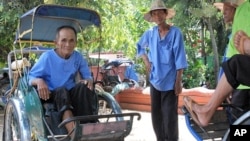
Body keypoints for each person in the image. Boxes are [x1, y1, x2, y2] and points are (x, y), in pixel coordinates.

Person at [28, 25, 96, 135]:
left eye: (71, 41)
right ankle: (74, 134)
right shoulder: (47, 57)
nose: (68, 44)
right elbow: (30, 78)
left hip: (70, 93)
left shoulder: (78, 57)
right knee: (61, 91)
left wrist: (88, 80)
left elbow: (87, 76)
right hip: (51, 95)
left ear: (75, 43)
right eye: (63, 40)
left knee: (83, 87)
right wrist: (39, 81)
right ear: (56, 42)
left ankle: (88, 128)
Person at [136, 0, 188, 140]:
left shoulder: (175, 33)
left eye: (160, 12)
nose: (157, 16)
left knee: (169, 117)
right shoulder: (150, 33)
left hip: (170, 83)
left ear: (165, 14)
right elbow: (139, 46)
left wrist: (178, 81)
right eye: (154, 13)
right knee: (156, 118)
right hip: (155, 81)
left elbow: (180, 58)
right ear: (152, 16)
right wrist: (146, 60)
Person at [214, 0, 246, 123]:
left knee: (239, 124)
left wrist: (229, 85)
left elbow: (238, 59)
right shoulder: (232, 33)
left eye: (227, 9)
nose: (224, 13)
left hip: (239, 86)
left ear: (235, 9)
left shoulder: (243, 15)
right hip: (231, 85)